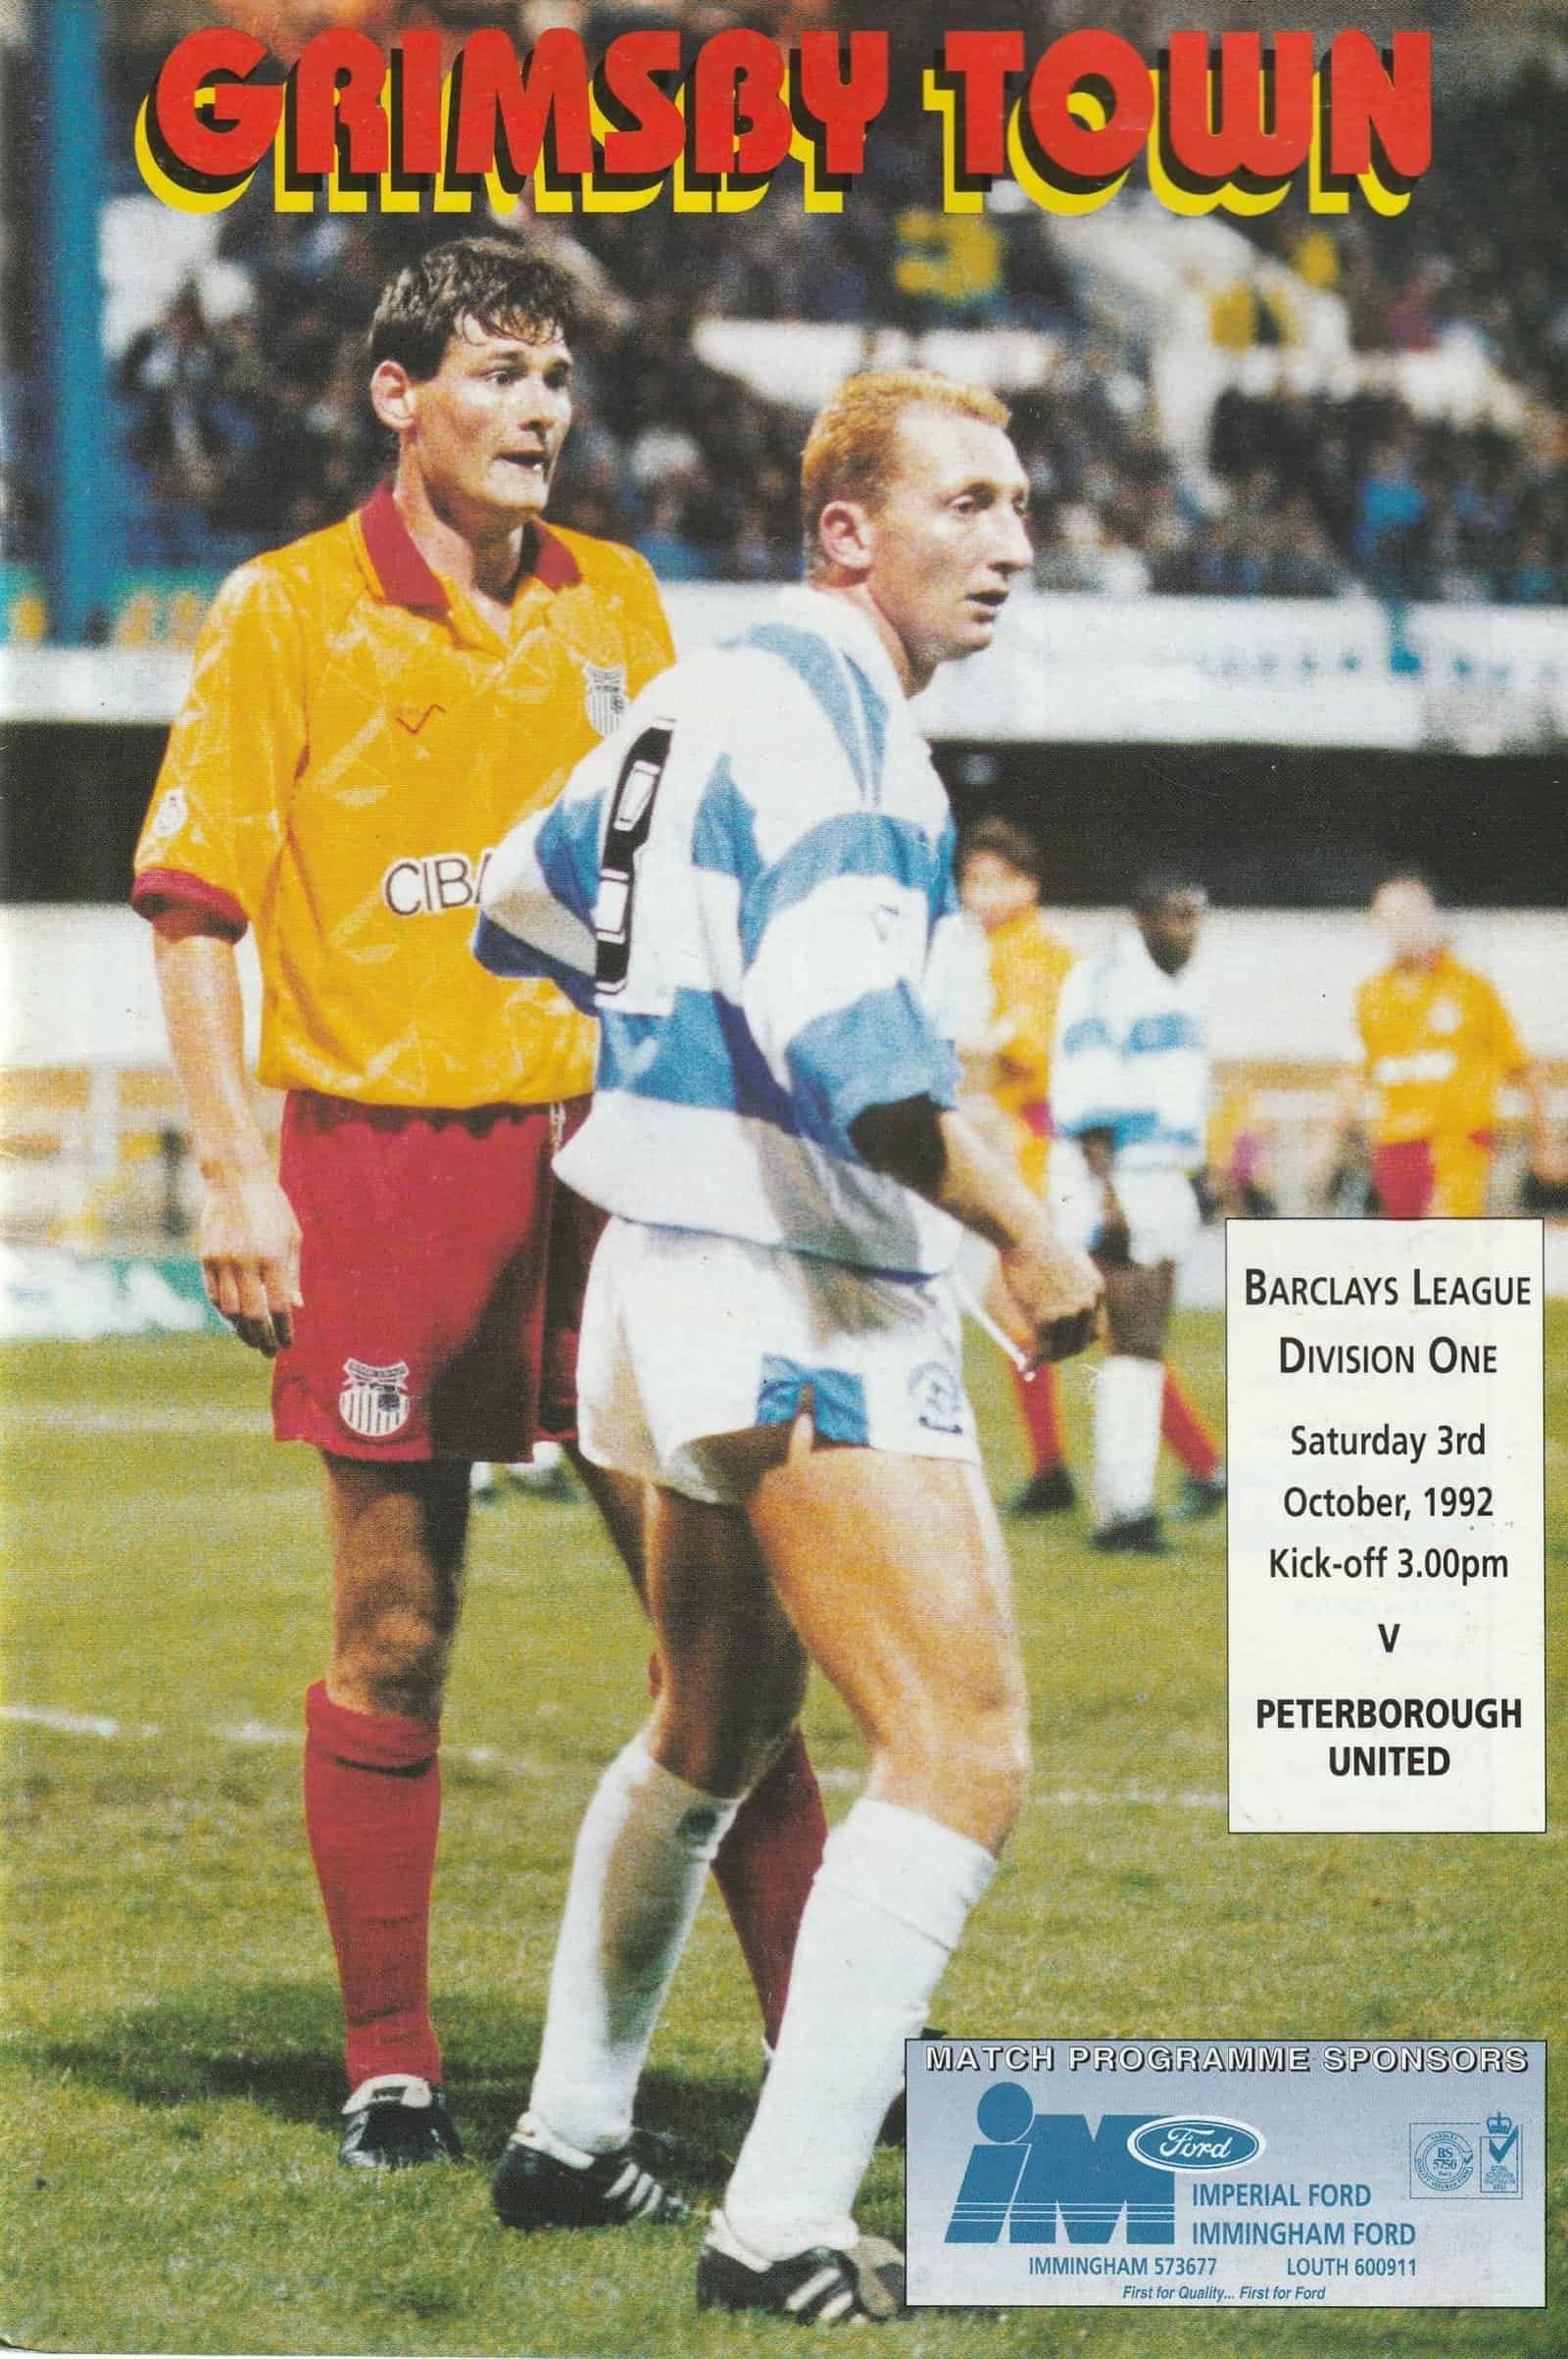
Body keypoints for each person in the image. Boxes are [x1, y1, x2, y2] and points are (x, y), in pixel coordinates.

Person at [130, 236, 828, 2171]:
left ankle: (834, 2050)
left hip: (614, 1160)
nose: (538, 411)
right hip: (383, 1166)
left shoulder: (620, 601)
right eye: (500, 374)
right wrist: (237, 1171)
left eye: (556, 380)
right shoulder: (283, 610)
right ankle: (392, 2058)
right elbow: (193, 915)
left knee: (726, 1628)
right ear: (398, 394)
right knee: (396, 1628)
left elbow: (687, 883)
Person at [474, 367, 1102, 2320]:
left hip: (650, 1271)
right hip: (793, 1276)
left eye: (1021, 507)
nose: (1011, 544)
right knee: (963, 1746)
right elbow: (858, 1056)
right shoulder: (846, 726)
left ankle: (570, 2134)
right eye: (967, 503)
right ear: (847, 530)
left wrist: (668, 1015)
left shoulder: (690, 696)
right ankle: (780, 2223)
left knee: (714, 1724)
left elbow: (514, 895)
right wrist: (1027, 1237)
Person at [957, 821, 1226, 1523]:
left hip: (1058, 1148)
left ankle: (1169, 1467)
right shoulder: (1011, 951)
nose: (980, 894)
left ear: (1028, 885)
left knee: (1089, 1308)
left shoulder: (1037, 954)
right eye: (972, 880)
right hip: (1043, 1143)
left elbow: (1031, 1053)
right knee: (1063, 1308)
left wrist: (958, 1058)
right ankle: (1075, 1469)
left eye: (995, 879)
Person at [1049, 871, 1212, 1554]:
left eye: (1197, 917)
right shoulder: (1103, 980)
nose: (1190, 931)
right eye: (1177, 916)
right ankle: (1122, 1511)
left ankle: (1129, 1506)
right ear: (1143, 918)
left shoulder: (1183, 989)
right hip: (1121, 1178)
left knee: (1145, 1345)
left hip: (1166, 1177)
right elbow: (1087, 1091)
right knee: (1132, 1342)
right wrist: (1106, 1196)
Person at [1311, 873, 1562, 1218]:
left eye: (1407, 916)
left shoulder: (1471, 989)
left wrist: (1545, 1141)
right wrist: (1325, 1140)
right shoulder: (1372, 994)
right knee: (1410, 1243)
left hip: (1457, 1143)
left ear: (1429, 918)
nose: (1399, 929)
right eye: (1389, 919)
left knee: (1445, 1236)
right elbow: (1355, 1074)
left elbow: (1524, 1070)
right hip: (1394, 1145)